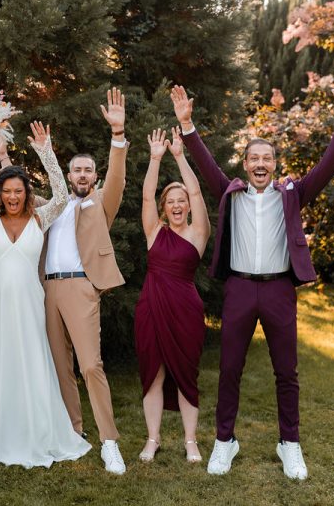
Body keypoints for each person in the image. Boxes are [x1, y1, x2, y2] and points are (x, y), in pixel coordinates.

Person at [171, 75, 334, 480]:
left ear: (275, 164)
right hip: (240, 289)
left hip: (279, 289)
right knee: (230, 369)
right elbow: (207, 165)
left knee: (287, 372)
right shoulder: (232, 194)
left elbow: (327, 167)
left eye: (267, 159)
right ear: (245, 165)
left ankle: (289, 445)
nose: (261, 164)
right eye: (254, 159)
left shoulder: (291, 194)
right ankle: (225, 442)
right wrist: (188, 127)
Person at [0, 121, 91, 471]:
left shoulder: (41, 217)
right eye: (7, 191)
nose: (12, 197)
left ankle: (35, 431)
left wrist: (46, 151)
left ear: (26, 192)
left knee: (31, 363)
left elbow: (59, 194)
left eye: (18, 191)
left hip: (28, 304)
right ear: (0, 194)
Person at [27, 88, 129, 474]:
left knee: (90, 365)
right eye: (77, 170)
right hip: (48, 289)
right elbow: (15, 193)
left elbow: (117, 176)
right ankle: (74, 432)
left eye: (88, 170)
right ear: (68, 176)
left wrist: (117, 136)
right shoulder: (52, 204)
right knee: (60, 366)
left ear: (94, 176)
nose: (83, 175)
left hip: (82, 287)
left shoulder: (102, 201)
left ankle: (109, 442)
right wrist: (7, 152)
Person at [134, 127, 210, 464]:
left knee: (185, 373)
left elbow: (195, 190)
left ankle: (191, 441)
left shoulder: (197, 233)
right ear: (165, 208)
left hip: (185, 310)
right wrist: (155, 159)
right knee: (153, 372)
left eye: (182, 202)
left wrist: (180, 156)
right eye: (172, 202)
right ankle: (153, 439)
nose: (178, 205)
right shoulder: (154, 231)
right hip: (151, 307)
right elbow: (147, 196)